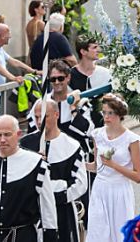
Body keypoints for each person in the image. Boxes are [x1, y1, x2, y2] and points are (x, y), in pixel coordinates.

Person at [20, 100, 87, 242]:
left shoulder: (72, 146)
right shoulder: (25, 144)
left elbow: (80, 184)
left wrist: (51, 196)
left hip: (62, 212)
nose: (39, 121)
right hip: (31, 213)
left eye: (44, 116)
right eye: (37, 117)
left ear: (57, 114)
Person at [86, 93, 140, 242]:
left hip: (120, 191)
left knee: (120, 234)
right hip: (100, 189)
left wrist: (113, 165)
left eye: (110, 113)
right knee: (98, 233)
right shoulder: (97, 134)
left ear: (119, 114)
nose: (106, 117)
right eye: (104, 112)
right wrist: (78, 164)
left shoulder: (131, 139)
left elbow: (138, 177)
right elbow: (96, 166)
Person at [32, 60, 95, 152]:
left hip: (75, 152)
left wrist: (74, 109)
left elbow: (88, 131)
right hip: (50, 153)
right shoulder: (40, 104)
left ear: (68, 77)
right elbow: (33, 132)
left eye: (60, 78)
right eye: (53, 79)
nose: (57, 82)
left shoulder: (81, 102)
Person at [0, 23, 38, 104]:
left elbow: (14, 62)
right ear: (2, 36)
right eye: (8, 33)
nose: (10, 36)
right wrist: (13, 78)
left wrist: (34, 71)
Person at [70, 35, 113, 127]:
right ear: (83, 51)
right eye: (94, 47)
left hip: (104, 124)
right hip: (79, 124)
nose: (98, 50)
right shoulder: (70, 75)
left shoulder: (105, 73)